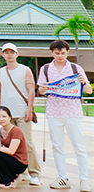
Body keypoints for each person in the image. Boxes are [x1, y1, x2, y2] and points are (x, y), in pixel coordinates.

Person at [37, 39, 92, 191]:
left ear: (67, 52)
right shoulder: (46, 69)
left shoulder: (76, 68)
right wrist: (45, 88)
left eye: (62, 53)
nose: (60, 56)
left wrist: (83, 82)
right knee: (57, 146)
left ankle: (84, 179)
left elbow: (89, 90)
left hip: (73, 112)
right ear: (51, 53)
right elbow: (41, 90)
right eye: (57, 53)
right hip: (54, 112)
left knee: (79, 146)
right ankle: (63, 177)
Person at [0, 42, 40, 185]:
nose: (9, 54)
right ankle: (20, 171)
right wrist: (0, 110)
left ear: (17, 54)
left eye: (12, 52)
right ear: (2, 54)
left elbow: (31, 90)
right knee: (9, 143)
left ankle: (34, 172)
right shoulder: (1, 71)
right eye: (6, 52)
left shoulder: (25, 69)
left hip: (22, 111)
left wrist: (30, 109)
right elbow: (1, 91)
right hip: (7, 114)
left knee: (26, 142)